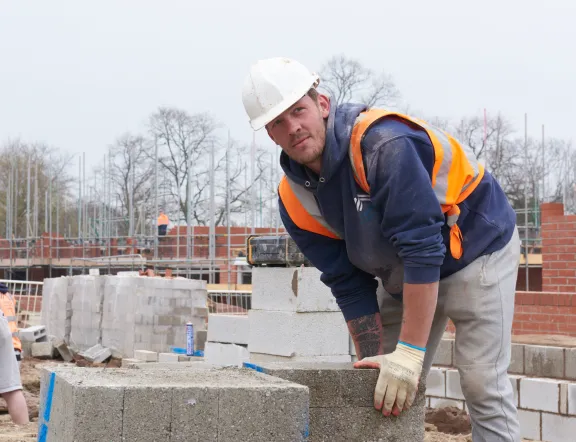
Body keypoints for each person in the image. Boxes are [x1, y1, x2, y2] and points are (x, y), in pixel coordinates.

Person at [241, 57, 521, 442]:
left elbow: (423, 248)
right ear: (269, 134)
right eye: (277, 123)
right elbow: (347, 281)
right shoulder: (294, 200)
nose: (293, 128)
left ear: (322, 104)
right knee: (380, 387)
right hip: (405, 270)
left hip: (476, 247)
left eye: (298, 111)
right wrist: (379, 360)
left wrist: (408, 355)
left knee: (481, 381)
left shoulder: (383, 145)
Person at [0, 286, 29, 425]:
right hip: (8, 338)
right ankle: (24, 431)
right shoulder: (7, 295)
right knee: (11, 390)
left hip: (13, 342)